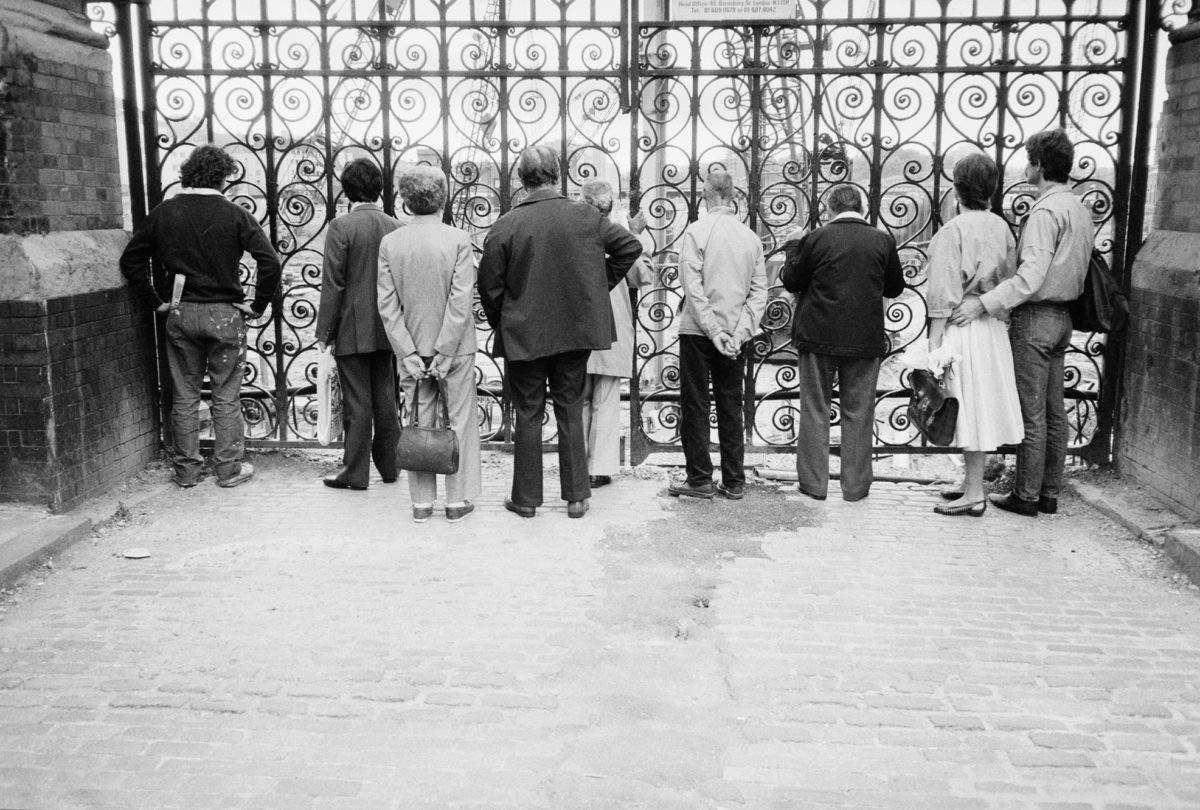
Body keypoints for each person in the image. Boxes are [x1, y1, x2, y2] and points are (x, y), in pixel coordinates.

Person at [478, 145, 643, 519]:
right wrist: (595, 289)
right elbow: (629, 247)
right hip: (574, 331)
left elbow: (489, 285)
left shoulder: (506, 224)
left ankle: (526, 499)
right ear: (557, 175)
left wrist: (502, 319)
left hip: (524, 334)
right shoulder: (585, 216)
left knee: (529, 412)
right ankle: (576, 497)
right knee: (569, 407)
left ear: (522, 179)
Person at [119, 144, 281, 489]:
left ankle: (187, 471)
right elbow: (270, 262)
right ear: (223, 177)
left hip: (181, 313)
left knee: (185, 394)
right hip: (225, 315)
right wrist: (257, 304)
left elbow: (131, 261)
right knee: (225, 395)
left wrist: (156, 301)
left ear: (188, 173)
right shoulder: (235, 214)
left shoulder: (165, 212)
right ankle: (227, 470)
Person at [951, 128, 1092, 517]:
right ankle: (1049, 492)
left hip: (1037, 317)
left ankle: (1026, 495)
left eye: (1029, 160)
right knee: (1054, 411)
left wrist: (983, 304)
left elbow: (1030, 277)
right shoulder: (1077, 207)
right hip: (1064, 318)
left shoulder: (1046, 211)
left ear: (1040, 166)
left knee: (1031, 410)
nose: (1025, 166)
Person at [780, 185, 905, 501]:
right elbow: (894, 288)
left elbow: (792, 280)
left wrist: (793, 247)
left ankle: (813, 484)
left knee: (815, 408)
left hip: (818, 335)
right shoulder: (882, 240)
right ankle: (855, 487)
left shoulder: (817, 238)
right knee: (860, 411)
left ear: (829, 208)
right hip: (864, 339)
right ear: (861, 208)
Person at [377, 165, 481, 523]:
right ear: (443, 196)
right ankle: (456, 501)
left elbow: (387, 305)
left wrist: (406, 351)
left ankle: (421, 503)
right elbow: (461, 299)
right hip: (455, 349)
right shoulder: (458, 239)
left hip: (411, 349)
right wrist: (446, 349)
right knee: (460, 421)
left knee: (418, 422)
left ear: (405, 201)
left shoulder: (391, 242)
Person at [925, 153, 1025, 517]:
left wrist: (933, 346)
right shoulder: (1001, 227)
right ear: (991, 189)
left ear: (956, 189)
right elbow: (1012, 278)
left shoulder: (951, 232)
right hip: (992, 325)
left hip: (962, 327)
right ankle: (972, 485)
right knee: (980, 407)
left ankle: (975, 493)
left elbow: (941, 295)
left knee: (965, 408)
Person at [667, 170, 768, 501]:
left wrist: (712, 329)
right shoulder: (751, 238)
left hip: (698, 331)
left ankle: (699, 479)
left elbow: (692, 287)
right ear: (733, 196)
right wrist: (736, 334)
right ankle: (734, 479)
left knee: (695, 403)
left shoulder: (696, 232)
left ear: (706, 196)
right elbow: (758, 293)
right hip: (735, 334)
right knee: (730, 402)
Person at [315, 159, 404, 491]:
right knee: (385, 396)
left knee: (357, 401)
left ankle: (354, 471)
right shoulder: (395, 226)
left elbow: (333, 285)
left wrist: (324, 333)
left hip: (352, 327)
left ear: (347, 190)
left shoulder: (341, 227)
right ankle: (391, 465)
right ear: (379, 188)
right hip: (388, 327)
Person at [578, 180, 655, 489]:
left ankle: (578, 463)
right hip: (613, 324)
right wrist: (636, 234)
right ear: (611, 206)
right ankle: (600, 467)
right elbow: (642, 275)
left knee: (578, 397)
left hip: (580, 323)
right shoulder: (620, 236)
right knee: (606, 400)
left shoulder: (576, 233)